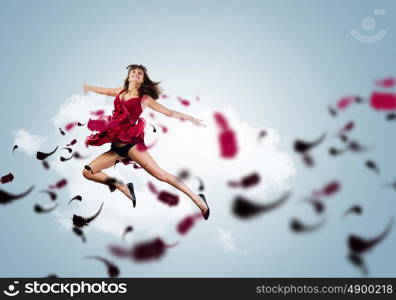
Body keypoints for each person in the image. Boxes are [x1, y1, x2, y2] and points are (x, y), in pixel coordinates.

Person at [81, 64, 210, 220]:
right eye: (133, 72)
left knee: (161, 175)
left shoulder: (144, 99)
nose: (136, 74)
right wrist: (88, 87)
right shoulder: (119, 91)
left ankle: (198, 199)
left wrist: (191, 118)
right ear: (128, 76)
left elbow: (169, 112)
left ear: (142, 80)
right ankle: (123, 187)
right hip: (115, 148)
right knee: (87, 172)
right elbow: (103, 90)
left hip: (131, 146)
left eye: (139, 73)